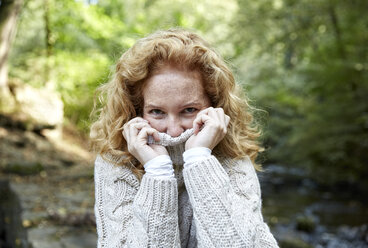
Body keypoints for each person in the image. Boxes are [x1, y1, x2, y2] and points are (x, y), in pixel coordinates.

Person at [90, 28, 279, 247]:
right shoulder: (115, 162)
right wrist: (157, 172)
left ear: (215, 105)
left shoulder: (232, 159)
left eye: (189, 109)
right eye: (157, 112)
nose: (173, 130)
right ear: (137, 110)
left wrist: (200, 160)